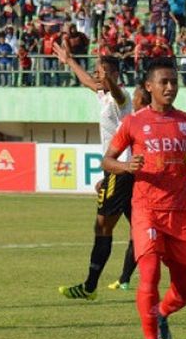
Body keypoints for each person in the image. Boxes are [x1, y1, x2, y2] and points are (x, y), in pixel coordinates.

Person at [102, 57, 186, 339]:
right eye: (164, 82)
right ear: (149, 87)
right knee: (148, 276)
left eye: (174, 81)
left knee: (184, 289)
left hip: (181, 211)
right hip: (146, 208)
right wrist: (125, 166)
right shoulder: (134, 122)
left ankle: (161, 313)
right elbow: (107, 160)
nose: (170, 87)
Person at [54, 46, 140, 299]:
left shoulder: (119, 96)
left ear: (112, 74)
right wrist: (70, 61)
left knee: (103, 226)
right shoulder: (104, 96)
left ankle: (89, 287)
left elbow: (114, 90)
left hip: (121, 171)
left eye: (100, 71)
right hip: (121, 171)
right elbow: (89, 82)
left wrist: (109, 80)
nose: (95, 76)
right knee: (144, 227)